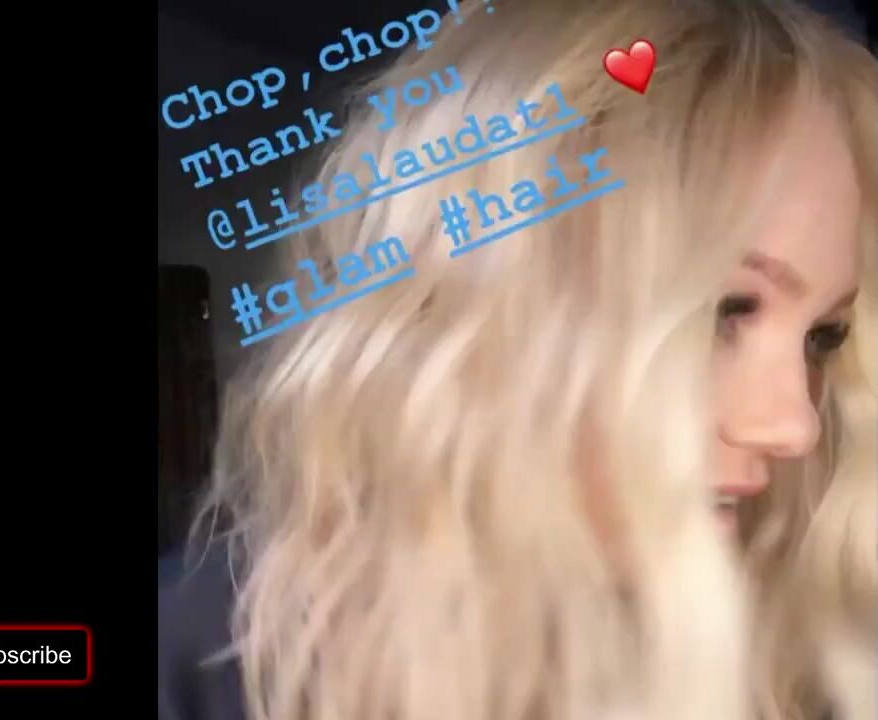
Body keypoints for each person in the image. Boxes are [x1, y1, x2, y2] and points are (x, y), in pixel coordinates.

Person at [161, 1, 877, 718]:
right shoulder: (209, 666)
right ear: (479, 296)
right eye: (726, 309)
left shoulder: (799, 641)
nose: (794, 425)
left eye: (824, 335)